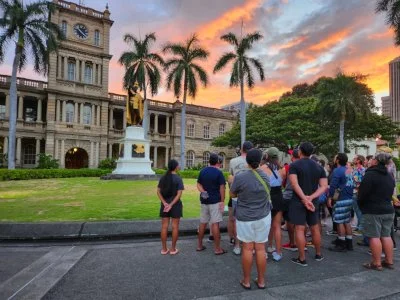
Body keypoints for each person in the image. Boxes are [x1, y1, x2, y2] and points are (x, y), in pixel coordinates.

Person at [230, 148, 272, 290]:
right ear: (260, 160)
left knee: (247, 248)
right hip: (263, 216)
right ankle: (261, 281)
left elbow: (233, 195)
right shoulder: (266, 176)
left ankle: (246, 281)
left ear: (246, 160)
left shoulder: (240, 177)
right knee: (260, 249)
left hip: (245, 217)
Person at [288, 142, 327, 266]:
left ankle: (302, 258)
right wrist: (311, 197)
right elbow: (324, 186)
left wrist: (304, 198)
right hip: (313, 201)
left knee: (299, 228)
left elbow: (294, 184)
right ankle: (318, 253)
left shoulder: (294, 165)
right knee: (314, 227)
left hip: (298, 201)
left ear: (300, 151)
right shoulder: (319, 167)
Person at [358, 153, 395, 270]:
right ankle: (389, 261)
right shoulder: (389, 175)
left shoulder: (370, 175)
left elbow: (362, 194)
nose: (371, 160)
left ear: (376, 161)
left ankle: (376, 263)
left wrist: (361, 205)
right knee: (386, 235)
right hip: (388, 209)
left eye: (373, 158)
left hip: (373, 209)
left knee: (374, 236)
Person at [197, 153, 226, 255]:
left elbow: (198, 184)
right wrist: (222, 201)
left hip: (204, 201)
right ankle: (217, 249)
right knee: (215, 224)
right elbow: (222, 188)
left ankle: (199, 245)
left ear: (209, 160)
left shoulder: (203, 171)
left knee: (202, 223)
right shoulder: (219, 173)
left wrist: (203, 191)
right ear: (218, 162)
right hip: (215, 201)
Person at [260, 147, 286, 261]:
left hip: (267, 197)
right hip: (279, 196)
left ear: (267, 156)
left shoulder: (262, 168)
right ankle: (278, 251)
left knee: (264, 226)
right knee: (277, 227)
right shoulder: (283, 169)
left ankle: (264, 251)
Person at [228, 141, 254, 255]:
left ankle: (237, 245)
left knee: (237, 221)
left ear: (242, 149)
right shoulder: (254, 161)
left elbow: (230, 178)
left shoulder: (233, 161)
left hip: (237, 195)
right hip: (250, 195)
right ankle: (250, 245)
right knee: (251, 221)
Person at [327, 153, 355, 252]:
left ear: (338, 160)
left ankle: (341, 244)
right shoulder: (349, 170)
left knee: (339, 222)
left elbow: (333, 185)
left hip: (341, 199)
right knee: (347, 221)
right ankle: (349, 243)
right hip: (349, 197)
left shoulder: (337, 170)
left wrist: (330, 197)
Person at [157, 159, 184, 255]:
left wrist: (165, 203)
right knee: (175, 227)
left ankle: (164, 249)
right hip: (175, 205)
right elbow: (179, 194)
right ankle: (173, 249)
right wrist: (171, 204)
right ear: (176, 167)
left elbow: (158, 192)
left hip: (165, 205)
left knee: (164, 227)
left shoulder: (163, 178)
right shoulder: (178, 178)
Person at [282, 148, 300, 251]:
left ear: (292, 156)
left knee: (289, 220)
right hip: (303, 196)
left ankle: (292, 243)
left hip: (289, 195)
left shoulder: (288, 167)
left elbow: (281, 179)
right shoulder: (306, 166)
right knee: (301, 221)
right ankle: (301, 242)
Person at [352, 155, 366, 236]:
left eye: (355, 158)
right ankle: (358, 226)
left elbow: (358, 182)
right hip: (356, 192)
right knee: (357, 211)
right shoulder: (358, 169)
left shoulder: (359, 169)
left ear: (358, 160)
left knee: (358, 211)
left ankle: (361, 228)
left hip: (356, 192)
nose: (353, 159)